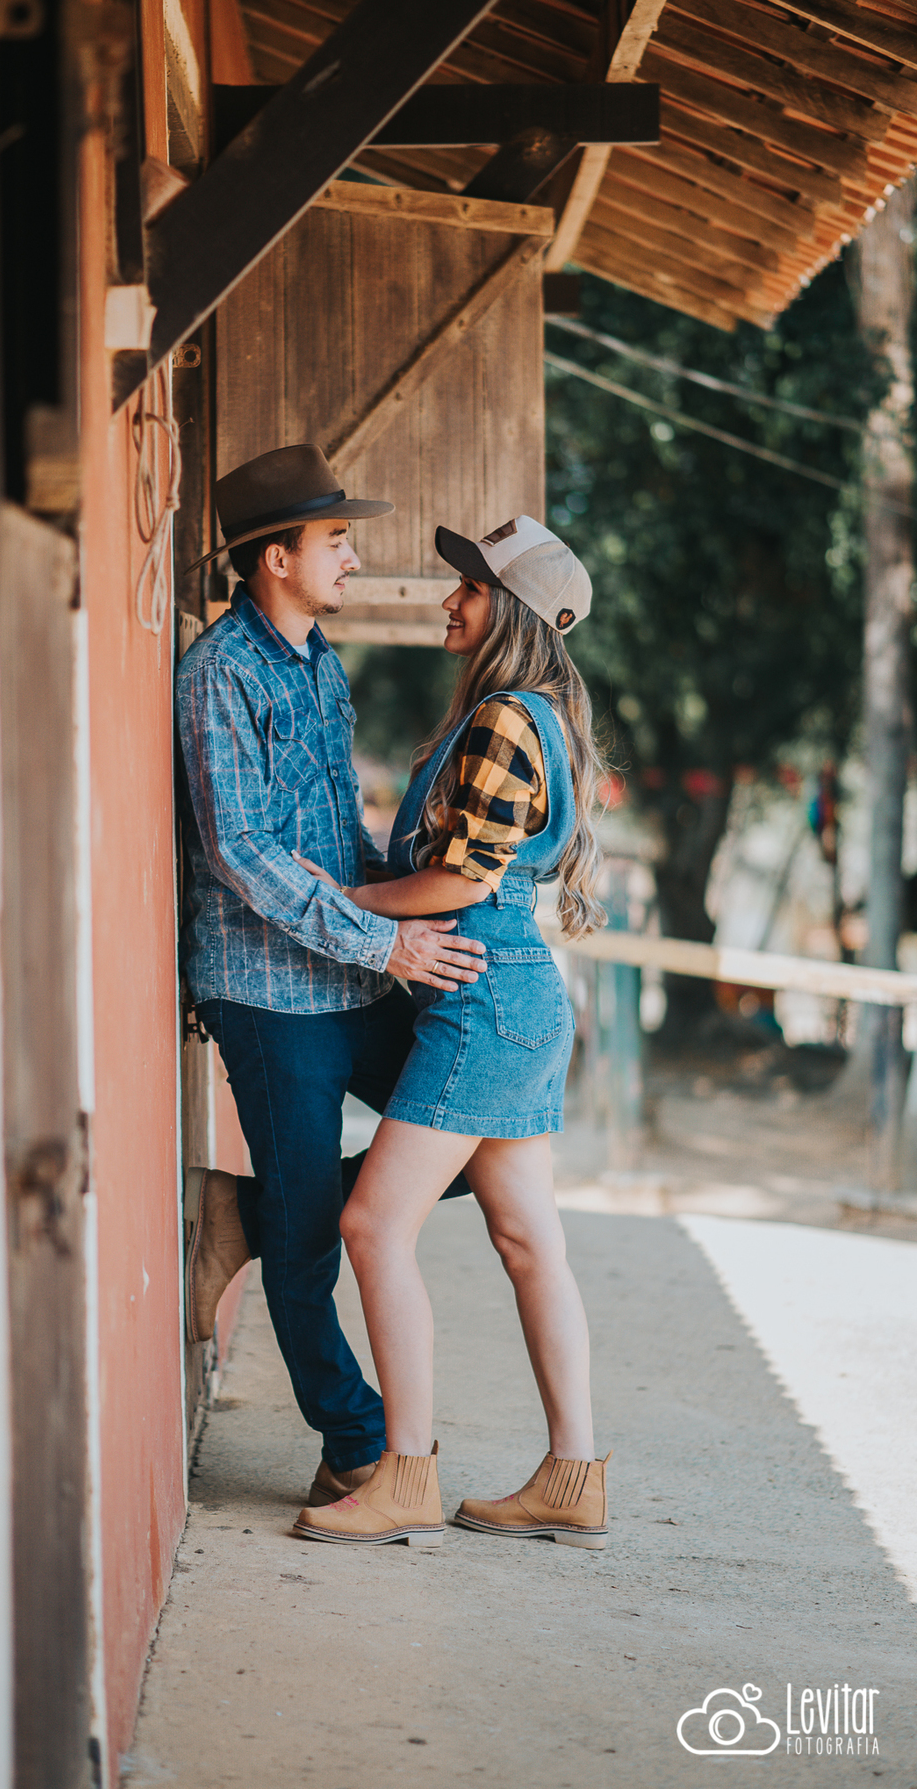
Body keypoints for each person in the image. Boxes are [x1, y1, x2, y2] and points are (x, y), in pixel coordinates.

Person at [291, 514, 612, 1550]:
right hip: (514, 999)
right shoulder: (537, 717)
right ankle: (573, 1473)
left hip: (482, 1003)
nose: (450, 599)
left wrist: (345, 897)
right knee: (528, 1240)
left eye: (470, 587)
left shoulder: (508, 720)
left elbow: (463, 880)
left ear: (509, 610)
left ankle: (407, 1472)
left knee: (374, 1227)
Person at [175, 444, 486, 1507]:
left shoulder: (317, 660)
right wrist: (383, 942)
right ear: (274, 559)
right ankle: (357, 1446)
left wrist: (423, 891)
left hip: (351, 981)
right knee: (313, 1256)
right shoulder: (219, 671)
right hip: (265, 992)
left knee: (468, 1134)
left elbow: (337, 839)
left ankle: (245, 1216)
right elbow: (245, 851)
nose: (353, 557)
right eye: (335, 539)